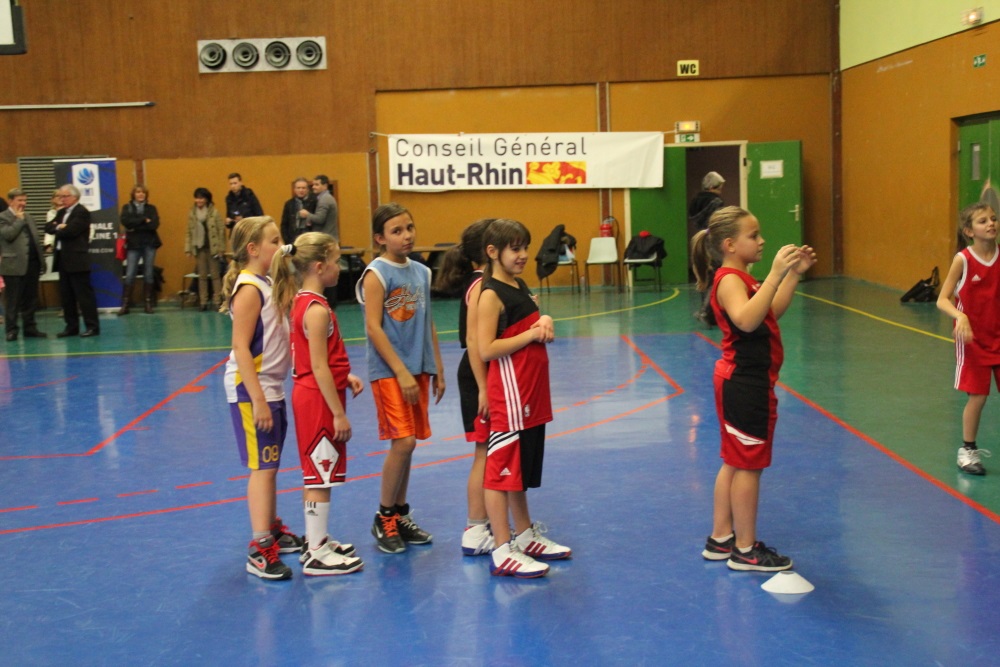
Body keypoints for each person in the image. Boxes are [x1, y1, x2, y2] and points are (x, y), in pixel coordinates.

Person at [691, 206, 815, 572]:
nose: (761, 241)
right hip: (745, 384)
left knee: (735, 461)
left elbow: (767, 311)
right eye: (754, 235)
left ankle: (721, 538)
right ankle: (745, 549)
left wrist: (791, 275)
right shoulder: (730, 280)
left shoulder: (741, 278)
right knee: (749, 466)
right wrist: (775, 273)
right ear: (730, 245)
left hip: (743, 381)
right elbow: (746, 321)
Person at [477, 218, 571, 578]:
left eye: (525, 248)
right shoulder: (490, 294)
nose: (523, 255)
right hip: (510, 399)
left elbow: (529, 320)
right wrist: (531, 334)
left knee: (518, 473)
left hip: (531, 396)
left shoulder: (518, 284)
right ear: (493, 252)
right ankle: (503, 550)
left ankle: (526, 535)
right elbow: (486, 348)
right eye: (515, 248)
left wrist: (543, 319)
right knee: (500, 475)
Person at [271, 232, 365, 576]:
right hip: (318, 401)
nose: (340, 268)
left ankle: (317, 539)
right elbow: (319, 365)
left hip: (314, 392)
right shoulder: (316, 309)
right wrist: (338, 413)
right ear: (320, 266)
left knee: (318, 472)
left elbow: (319, 360)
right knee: (320, 475)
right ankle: (315, 552)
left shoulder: (304, 301)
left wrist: (344, 376)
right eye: (337, 261)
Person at [355, 202, 445, 554]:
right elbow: (373, 328)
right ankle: (384, 516)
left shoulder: (422, 272)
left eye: (409, 228)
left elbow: (428, 321)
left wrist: (436, 367)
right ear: (380, 238)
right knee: (403, 442)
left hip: (417, 368)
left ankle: (399, 513)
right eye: (396, 231)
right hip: (390, 371)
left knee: (410, 443)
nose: (406, 235)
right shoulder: (376, 274)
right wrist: (401, 371)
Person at [220, 216, 303, 580]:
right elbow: (241, 347)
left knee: (271, 465)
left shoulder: (268, 284)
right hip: (251, 389)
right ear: (253, 249)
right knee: (263, 468)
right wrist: (257, 400)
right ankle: (259, 546)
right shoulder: (249, 289)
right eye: (274, 240)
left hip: (272, 386)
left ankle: (271, 526)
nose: (280, 245)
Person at [433, 219, 496, 556]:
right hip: (477, 375)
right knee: (484, 451)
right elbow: (474, 341)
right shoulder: (480, 285)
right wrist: (484, 387)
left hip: (484, 373)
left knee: (495, 451)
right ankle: (475, 527)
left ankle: (491, 522)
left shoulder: (489, 282)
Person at [936, 202, 1000, 475]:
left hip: (998, 334)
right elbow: (942, 299)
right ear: (969, 231)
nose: (991, 224)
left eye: (993, 219)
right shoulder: (963, 260)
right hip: (972, 340)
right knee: (978, 396)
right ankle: (967, 450)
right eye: (983, 221)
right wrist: (960, 316)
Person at [46, 184, 99, 338]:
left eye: (65, 196)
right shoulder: (61, 212)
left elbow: (71, 231)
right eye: (60, 196)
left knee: (84, 296)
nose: (62, 199)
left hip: (77, 260)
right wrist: (59, 227)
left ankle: (92, 326)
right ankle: (71, 327)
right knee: (67, 296)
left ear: (74, 197)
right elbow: (48, 227)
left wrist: (59, 228)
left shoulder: (81, 212)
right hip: (62, 259)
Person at [0, 188, 47, 340]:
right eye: (20, 200)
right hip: (13, 265)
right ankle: (11, 330)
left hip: (32, 264)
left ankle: (30, 328)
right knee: (13, 300)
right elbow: (8, 235)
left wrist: (41, 260)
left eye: (25, 200)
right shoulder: (2, 217)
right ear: (10, 201)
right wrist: (19, 220)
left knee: (31, 299)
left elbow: (34, 239)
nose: (23, 203)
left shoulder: (29, 217)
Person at [690, 171, 727, 326]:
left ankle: (704, 310)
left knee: (704, 276)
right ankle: (707, 312)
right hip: (713, 242)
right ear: (713, 187)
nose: (721, 190)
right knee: (718, 275)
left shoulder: (695, 201)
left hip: (700, 240)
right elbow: (719, 223)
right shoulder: (716, 202)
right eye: (719, 187)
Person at [118, 185, 161, 315]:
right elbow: (126, 222)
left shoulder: (151, 208)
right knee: (130, 273)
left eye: (143, 192)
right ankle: (125, 304)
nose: (141, 194)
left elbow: (154, 225)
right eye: (138, 192)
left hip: (149, 244)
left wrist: (136, 224)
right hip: (133, 245)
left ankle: (148, 303)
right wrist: (143, 219)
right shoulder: (127, 208)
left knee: (148, 273)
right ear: (133, 194)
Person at [185, 187, 227, 311]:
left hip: (213, 248)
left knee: (215, 275)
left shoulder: (214, 212)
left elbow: (221, 231)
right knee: (202, 276)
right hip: (199, 248)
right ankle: (203, 301)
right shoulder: (192, 213)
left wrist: (221, 248)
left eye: (201, 198)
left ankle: (217, 300)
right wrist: (188, 248)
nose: (199, 200)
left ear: (207, 199)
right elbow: (189, 231)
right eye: (197, 198)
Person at [300, 174, 338, 240]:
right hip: (327, 237)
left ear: (325, 186)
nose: (313, 187)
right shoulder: (324, 198)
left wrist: (307, 214)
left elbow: (320, 219)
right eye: (313, 184)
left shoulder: (324, 199)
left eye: (317, 185)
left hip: (325, 239)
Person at [280, 177, 316, 244]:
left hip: (309, 238)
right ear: (294, 189)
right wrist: (287, 240)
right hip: (293, 239)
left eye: (303, 188)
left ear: (308, 189)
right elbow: (284, 224)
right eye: (298, 188)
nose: (301, 190)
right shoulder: (289, 204)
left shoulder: (314, 202)